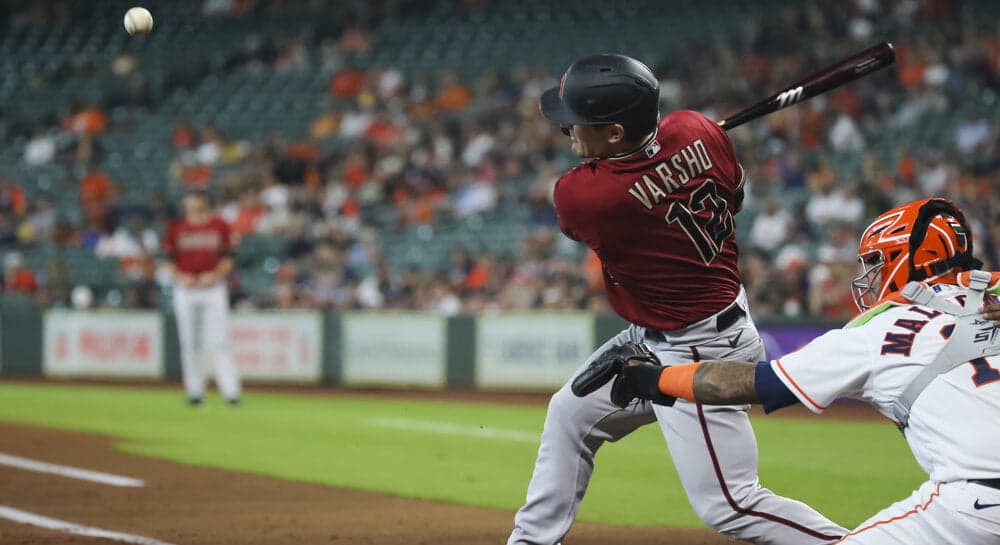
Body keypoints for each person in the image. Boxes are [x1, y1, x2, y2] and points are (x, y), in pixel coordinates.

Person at [508, 54, 845, 545]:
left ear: (617, 133)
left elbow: (605, 195)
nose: (568, 134)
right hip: (662, 332)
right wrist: (682, 159)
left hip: (699, 348)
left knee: (730, 505)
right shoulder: (698, 128)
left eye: (576, 125)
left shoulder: (584, 197)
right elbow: (736, 198)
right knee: (570, 414)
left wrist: (663, 169)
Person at [613, 198, 1000, 544]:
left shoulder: (878, 331)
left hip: (975, 507)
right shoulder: (994, 298)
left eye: (875, 263)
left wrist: (654, 378)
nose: (871, 276)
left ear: (906, 258)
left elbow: (749, 383)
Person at [163, 190, 241, 405]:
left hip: (213, 288)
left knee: (221, 340)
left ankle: (231, 392)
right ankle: (195, 392)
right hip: (186, 289)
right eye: (188, 204)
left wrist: (215, 275)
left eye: (195, 203)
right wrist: (180, 276)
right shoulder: (176, 227)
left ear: (204, 203)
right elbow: (169, 260)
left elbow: (229, 257)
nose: (191, 208)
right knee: (190, 342)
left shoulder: (219, 225)